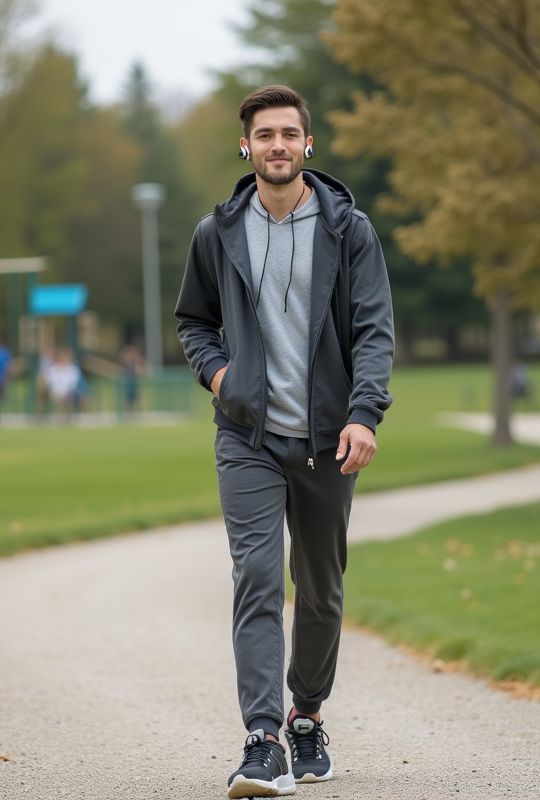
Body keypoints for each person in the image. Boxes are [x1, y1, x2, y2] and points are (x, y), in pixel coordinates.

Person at [175, 85, 394, 799]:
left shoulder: (347, 230)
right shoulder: (218, 232)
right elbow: (193, 323)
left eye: (288, 134)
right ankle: (264, 739)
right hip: (247, 437)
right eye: (263, 134)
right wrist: (221, 379)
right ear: (246, 146)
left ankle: (307, 716)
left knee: (322, 592)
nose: (276, 145)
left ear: (308, 145)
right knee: (259, 581)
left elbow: (372, 330)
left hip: (329, 439)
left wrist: (363, 414)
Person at [45, 347, 81, 423]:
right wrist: (56, 392)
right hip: (56, 393)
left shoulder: (72, 369)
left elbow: (73, 384)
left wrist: (65, 392)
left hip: (69, 393)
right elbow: (50, 383)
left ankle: (66, 419)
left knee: (69, 397)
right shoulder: (53, 369)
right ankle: (58, 418)